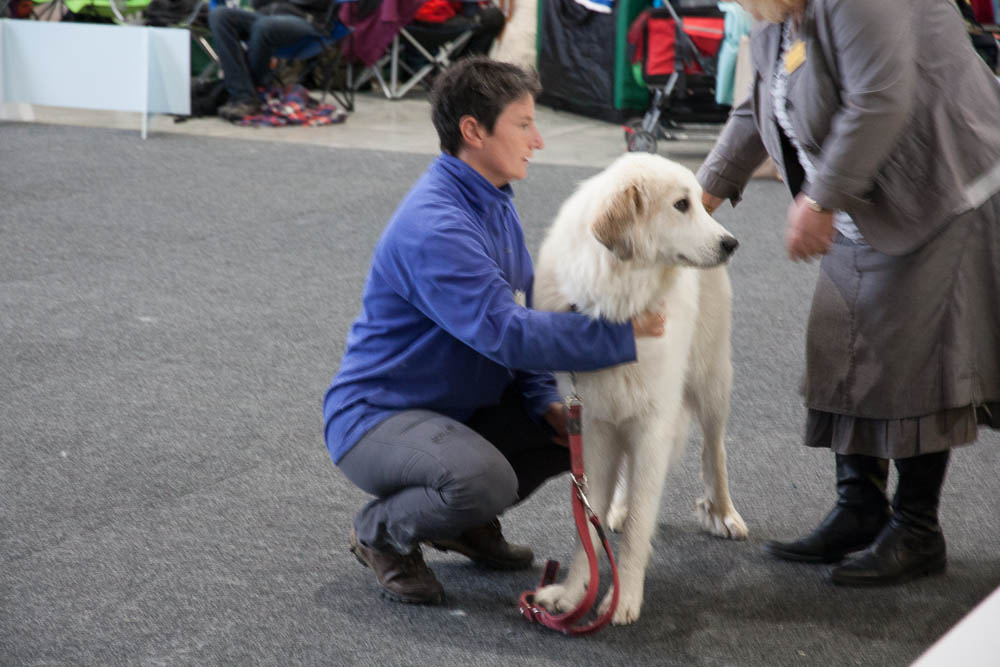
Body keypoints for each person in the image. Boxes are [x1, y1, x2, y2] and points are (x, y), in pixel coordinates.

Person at [323, 57, 665, 604]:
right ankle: (380, 533)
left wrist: (540, 401)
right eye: (524, 124)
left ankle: (459, 526)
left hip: (451, 406)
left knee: (576, 428)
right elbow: (506, 332)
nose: (539, 141)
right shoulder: (436, 224)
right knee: (483, 480)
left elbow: (519, 306)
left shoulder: (491, 199)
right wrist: (621, 335)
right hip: (376, 417)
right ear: (473, 131)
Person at [698, 0, 1000, 586]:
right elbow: (761, 98)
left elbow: (881, 98)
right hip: (861, 198)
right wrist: (701, 193)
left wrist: (820, 198)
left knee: (912, 363)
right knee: (844, 345)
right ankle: (861, 507)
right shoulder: (778, 14)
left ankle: (917, 530)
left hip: (942, 189)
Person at [208, 0, 335, 121]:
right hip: (265, 17)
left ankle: (246, 97)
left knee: (263, 26)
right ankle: (242, 93)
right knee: (219, 15)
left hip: (304, 18)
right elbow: (258, 4)